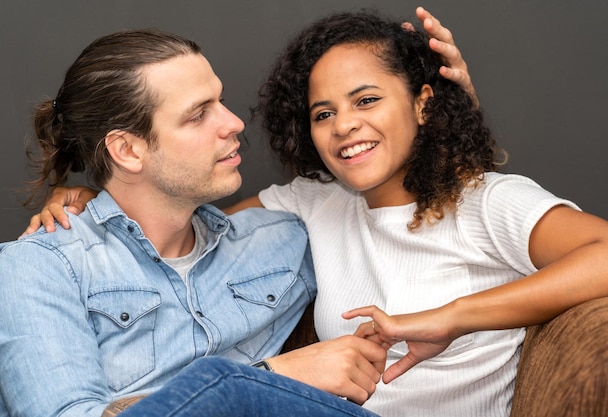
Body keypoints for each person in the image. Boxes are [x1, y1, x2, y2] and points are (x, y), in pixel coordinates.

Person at [4, 7, 480, 417]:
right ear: (127, 150)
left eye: (222, 101)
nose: (233, 124)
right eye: (198, 114)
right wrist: (276, 376)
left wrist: (447, 110)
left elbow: (415, 212)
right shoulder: (41, 267)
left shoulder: (283, 239)